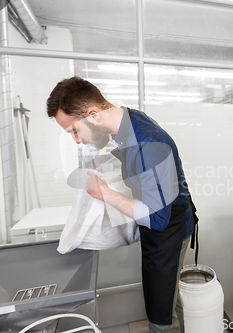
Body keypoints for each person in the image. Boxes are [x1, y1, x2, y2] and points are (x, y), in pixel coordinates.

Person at [46, 76, 198, 333]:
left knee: (160, 313)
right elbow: (135, 161)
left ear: (93, 115)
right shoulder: (126, 120)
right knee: (167, 297)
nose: (77, 140)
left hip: (168, 228)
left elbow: (156, 217)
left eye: (74, 130)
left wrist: (105, 193)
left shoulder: (147, 143)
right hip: (164, 222)